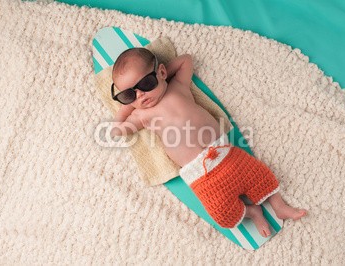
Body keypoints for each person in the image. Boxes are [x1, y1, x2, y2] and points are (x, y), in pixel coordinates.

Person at [110, 47, 307, 237]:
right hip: (200, 174)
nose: (140, 94)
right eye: (129, 94)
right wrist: (127, 107)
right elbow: (117, 131)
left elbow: (185, 60)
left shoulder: (177, 87)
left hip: (224, 152)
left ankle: (279, 207)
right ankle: (251, 212)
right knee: (222, 214)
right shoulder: (142, 116)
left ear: (161, 72)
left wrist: (162, 77)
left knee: (261, 175)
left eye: (146, 84)